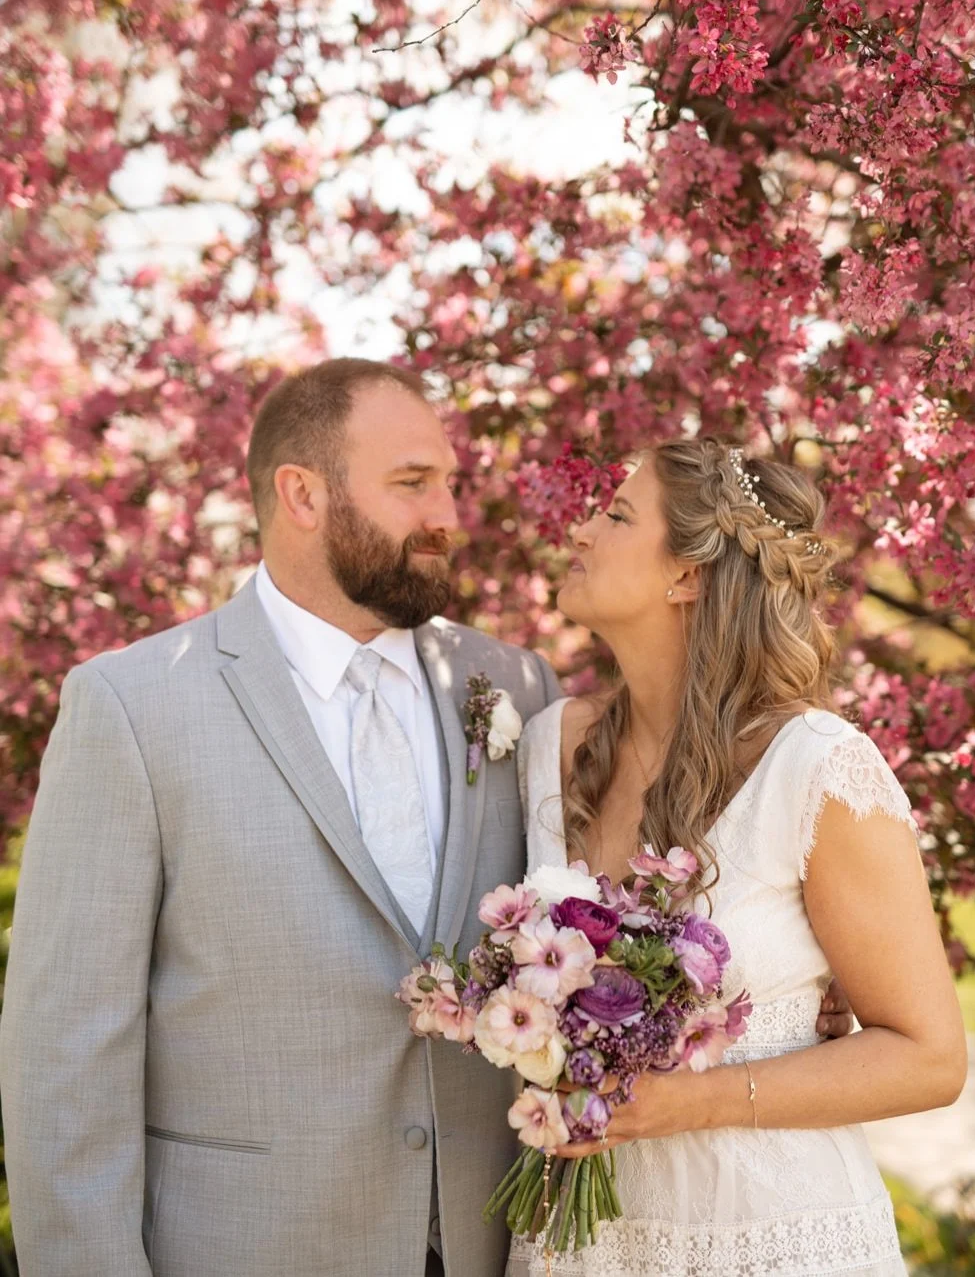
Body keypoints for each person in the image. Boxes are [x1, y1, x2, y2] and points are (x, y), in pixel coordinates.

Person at [0, 358, 565, 1277]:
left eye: (449, 483)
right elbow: (66, 1054)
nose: (448, 517)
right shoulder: (132, 707)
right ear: (302, 494)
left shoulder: (516, 686)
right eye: (412, 483)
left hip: (487, 1244)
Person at [508, 438, 967, 1277]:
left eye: (615, 516)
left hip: (769, 1235)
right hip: (580, 1242)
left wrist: (686, 1102)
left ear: (686, 575)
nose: (578, 530)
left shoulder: (816, 767)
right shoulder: (547, 748)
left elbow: (928, 1058)